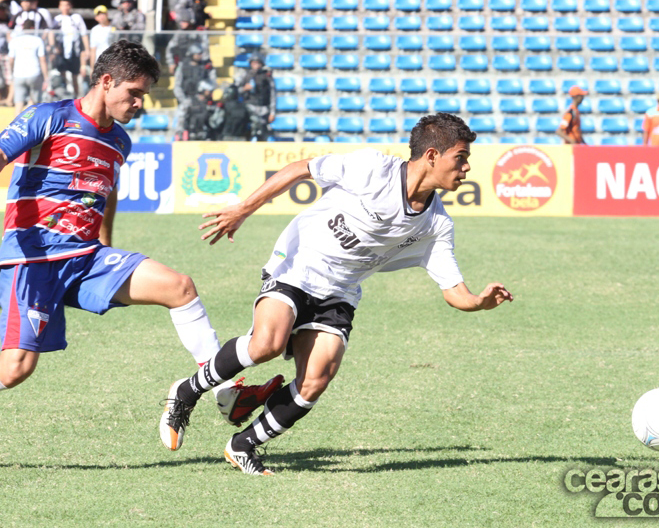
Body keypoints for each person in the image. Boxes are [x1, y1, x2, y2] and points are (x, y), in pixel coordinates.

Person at [0, 40, 282, 470]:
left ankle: (225, 393)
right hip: (33, 259)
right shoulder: (50, 116)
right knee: (16, 369)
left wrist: (105, 239)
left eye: (144, 95)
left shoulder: (119, 140)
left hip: (87, 257)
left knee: (180, 288)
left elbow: (107, 190)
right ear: (106, 81)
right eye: (134, 93)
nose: (140, 103)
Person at [160, 113, 514, 475]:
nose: (467, 167)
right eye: (461, 157)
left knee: (316, 379)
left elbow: (454, 291)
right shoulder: (373, 168)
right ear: (433, 156)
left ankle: (243, 445)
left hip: (341, 291)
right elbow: (302, 168)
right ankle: (187, 392)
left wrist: (478, 302)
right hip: (299, 264)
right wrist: (243, 209)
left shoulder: (437, 225)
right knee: (266, 342)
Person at [173, 44, 216, 135]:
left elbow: (212, 83)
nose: (200, 56)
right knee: (182, 111)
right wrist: (184, 100)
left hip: (203, 98)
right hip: (187, 98)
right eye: (198, 54)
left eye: (201, 54)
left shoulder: (205, 67)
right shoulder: (183, 66)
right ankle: (180, 134)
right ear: (192, 54)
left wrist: (205, 95)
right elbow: (177, 86)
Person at [8, 19, 48, 113]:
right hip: (34, 73)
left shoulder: (15, 41)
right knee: (33, 102)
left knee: (18, 102)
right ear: (33, 28)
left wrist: (12, 72)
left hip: (18, 74)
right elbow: (42, 60)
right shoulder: (38, 40)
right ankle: (28, 122)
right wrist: (46, 77)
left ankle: (16, 124)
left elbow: (11, 59)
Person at [234, 54, 276, 141]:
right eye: (254, 63)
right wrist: (244, 88)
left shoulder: (267, 76)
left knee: (262, 132)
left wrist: (272, 112)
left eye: (258, 63)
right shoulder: (245, 75)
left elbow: (272, 94)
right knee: (248, 132)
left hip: (263, 109)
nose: (256, 65)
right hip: (249, 108)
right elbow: (234, 90)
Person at [54, 0, 90, 97]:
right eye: (63, 5)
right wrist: (54, 47)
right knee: (62, 74)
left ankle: (76, 96)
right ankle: (64, 95)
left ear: (71, 6)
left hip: (75, 51)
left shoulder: (76, 18)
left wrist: (87, 49)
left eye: (67, 5)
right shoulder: (57, 19)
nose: (65, 7)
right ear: (59, 6)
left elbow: (83, 34)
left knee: (75, 75)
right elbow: (51, 34)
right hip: (62, 51)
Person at [89, 5, 114, 74]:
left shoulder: (114, 28)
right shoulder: (94, 30)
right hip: (99, 63)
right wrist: (92, 68)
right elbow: (93, 49)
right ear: (96, 18)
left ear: (107, 15)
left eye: (103, 13)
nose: (101, 16)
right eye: (99, 14)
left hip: (113, 62)